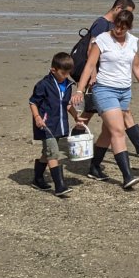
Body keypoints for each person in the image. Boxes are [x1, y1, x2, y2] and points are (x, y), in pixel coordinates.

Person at [72, 9, 139, 190]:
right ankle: (127, 176)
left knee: (108, 133)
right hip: (104, 90)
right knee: (118, 131)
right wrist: (79, 90)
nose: (118, 30)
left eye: (123, 28)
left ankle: (94, 167)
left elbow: (137, 67)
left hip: (124, 91)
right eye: (116, 26)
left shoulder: (132, 41)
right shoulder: (102, 40)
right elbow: (89, 65)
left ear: (129, 27)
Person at [28, 52, 81, 197]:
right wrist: (37, 117)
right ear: (53, 70)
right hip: (46, 124)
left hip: (59, 124)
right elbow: (33, 102)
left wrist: (76, 116)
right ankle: (59, 186)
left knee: (47, 152)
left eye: (69, 73)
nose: (66, 76)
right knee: (53, 153)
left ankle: (38, 178)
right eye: (63, 73)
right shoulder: (43, 85)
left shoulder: (68, 85)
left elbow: (67, 104)